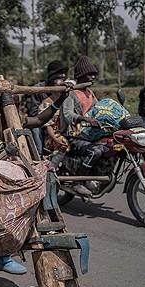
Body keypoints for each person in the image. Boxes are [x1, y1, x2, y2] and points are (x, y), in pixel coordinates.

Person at [0, 77, 72, 275]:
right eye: (9, 105)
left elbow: (41, 119)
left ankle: (7, 253)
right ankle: (3, 257)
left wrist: (60, 100)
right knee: (2, 219)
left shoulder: (20, 121)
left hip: (20, 178)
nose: (12, 110)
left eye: (14, 105)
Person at [58, 55, 102, 196]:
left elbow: (100, 109)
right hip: (73, 135)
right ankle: (78, 182)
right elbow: (68, 115)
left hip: (90, 133)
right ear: (81, 75)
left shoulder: (90, 93)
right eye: (90, 74)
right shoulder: (70, 94)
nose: (93, 78)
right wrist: (85, 120)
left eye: (94, 75)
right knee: (94, 151)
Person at [27, 61, 69, 155]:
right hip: (41, 122)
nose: (63, 76)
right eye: (59, 73)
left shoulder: (65, 88)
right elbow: (34, 114)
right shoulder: (38, 89)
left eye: (64, 73)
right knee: (35, 129)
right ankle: (38, 154)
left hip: (57, 124)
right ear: (52, 75)